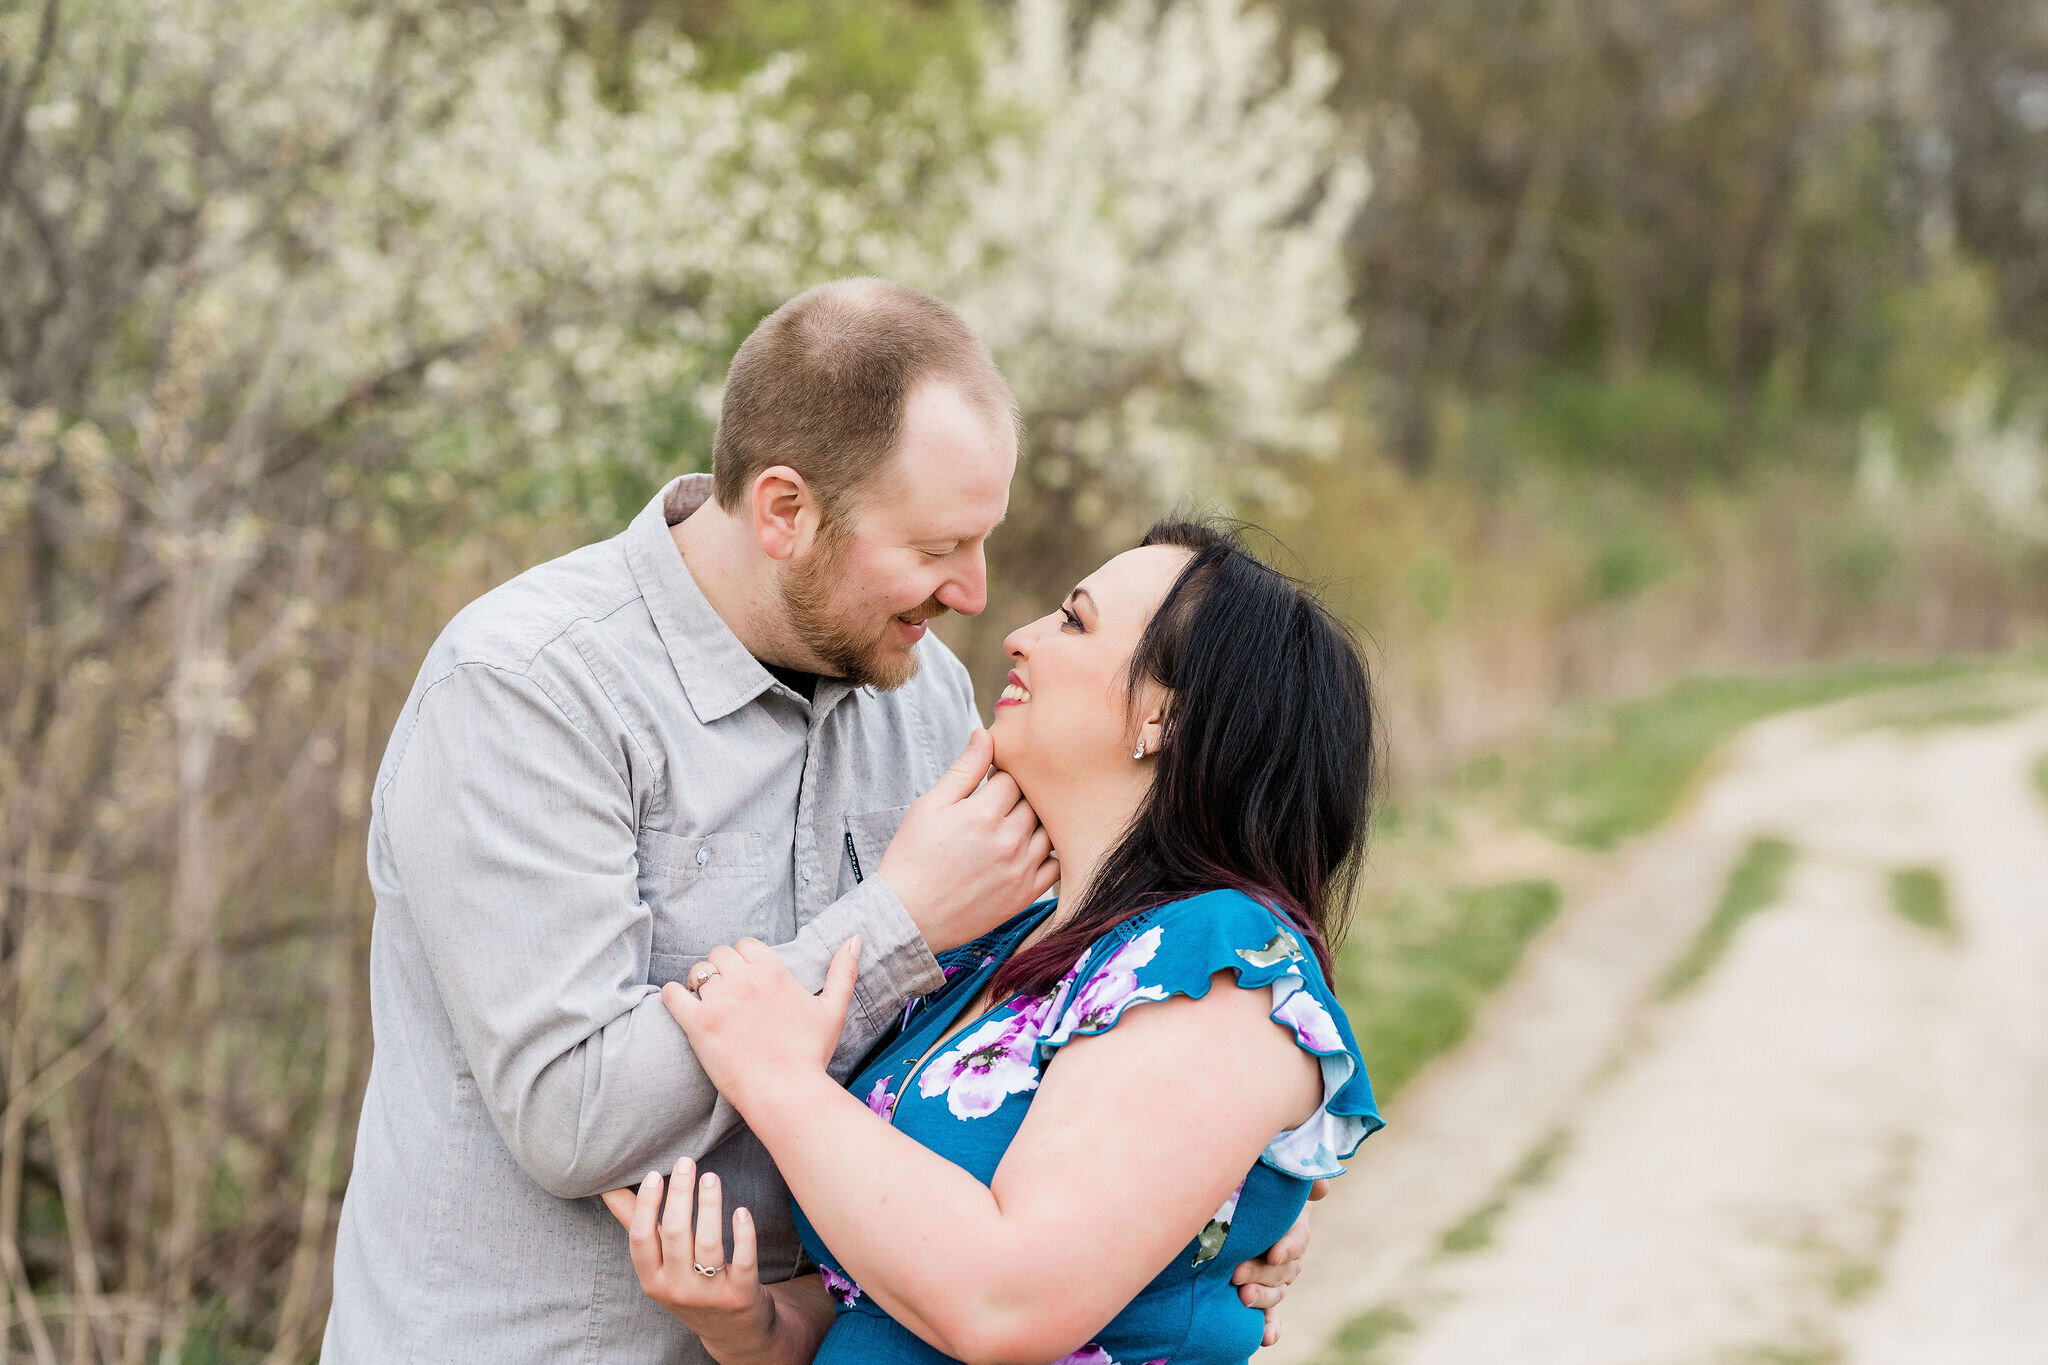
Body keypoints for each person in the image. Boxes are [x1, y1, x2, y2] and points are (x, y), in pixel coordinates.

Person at [323, 279, 1313, 1364]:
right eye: (937, 549)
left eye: (982, 542)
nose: (975, 596)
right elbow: (571, 1116)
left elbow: (1046, 1026)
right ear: (785, 511)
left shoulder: (924, 697)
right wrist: (894, 924)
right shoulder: (528, 690)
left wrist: (1199, 1206)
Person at [603, 520, 1382, 1364]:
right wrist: (748, 1323)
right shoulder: (1003, 948)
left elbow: (1003, 1303)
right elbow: (890, 1300)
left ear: (1165, 714)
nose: (1020, 635)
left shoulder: (1221, 965)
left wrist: (779, 1080)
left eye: (1073, 620)